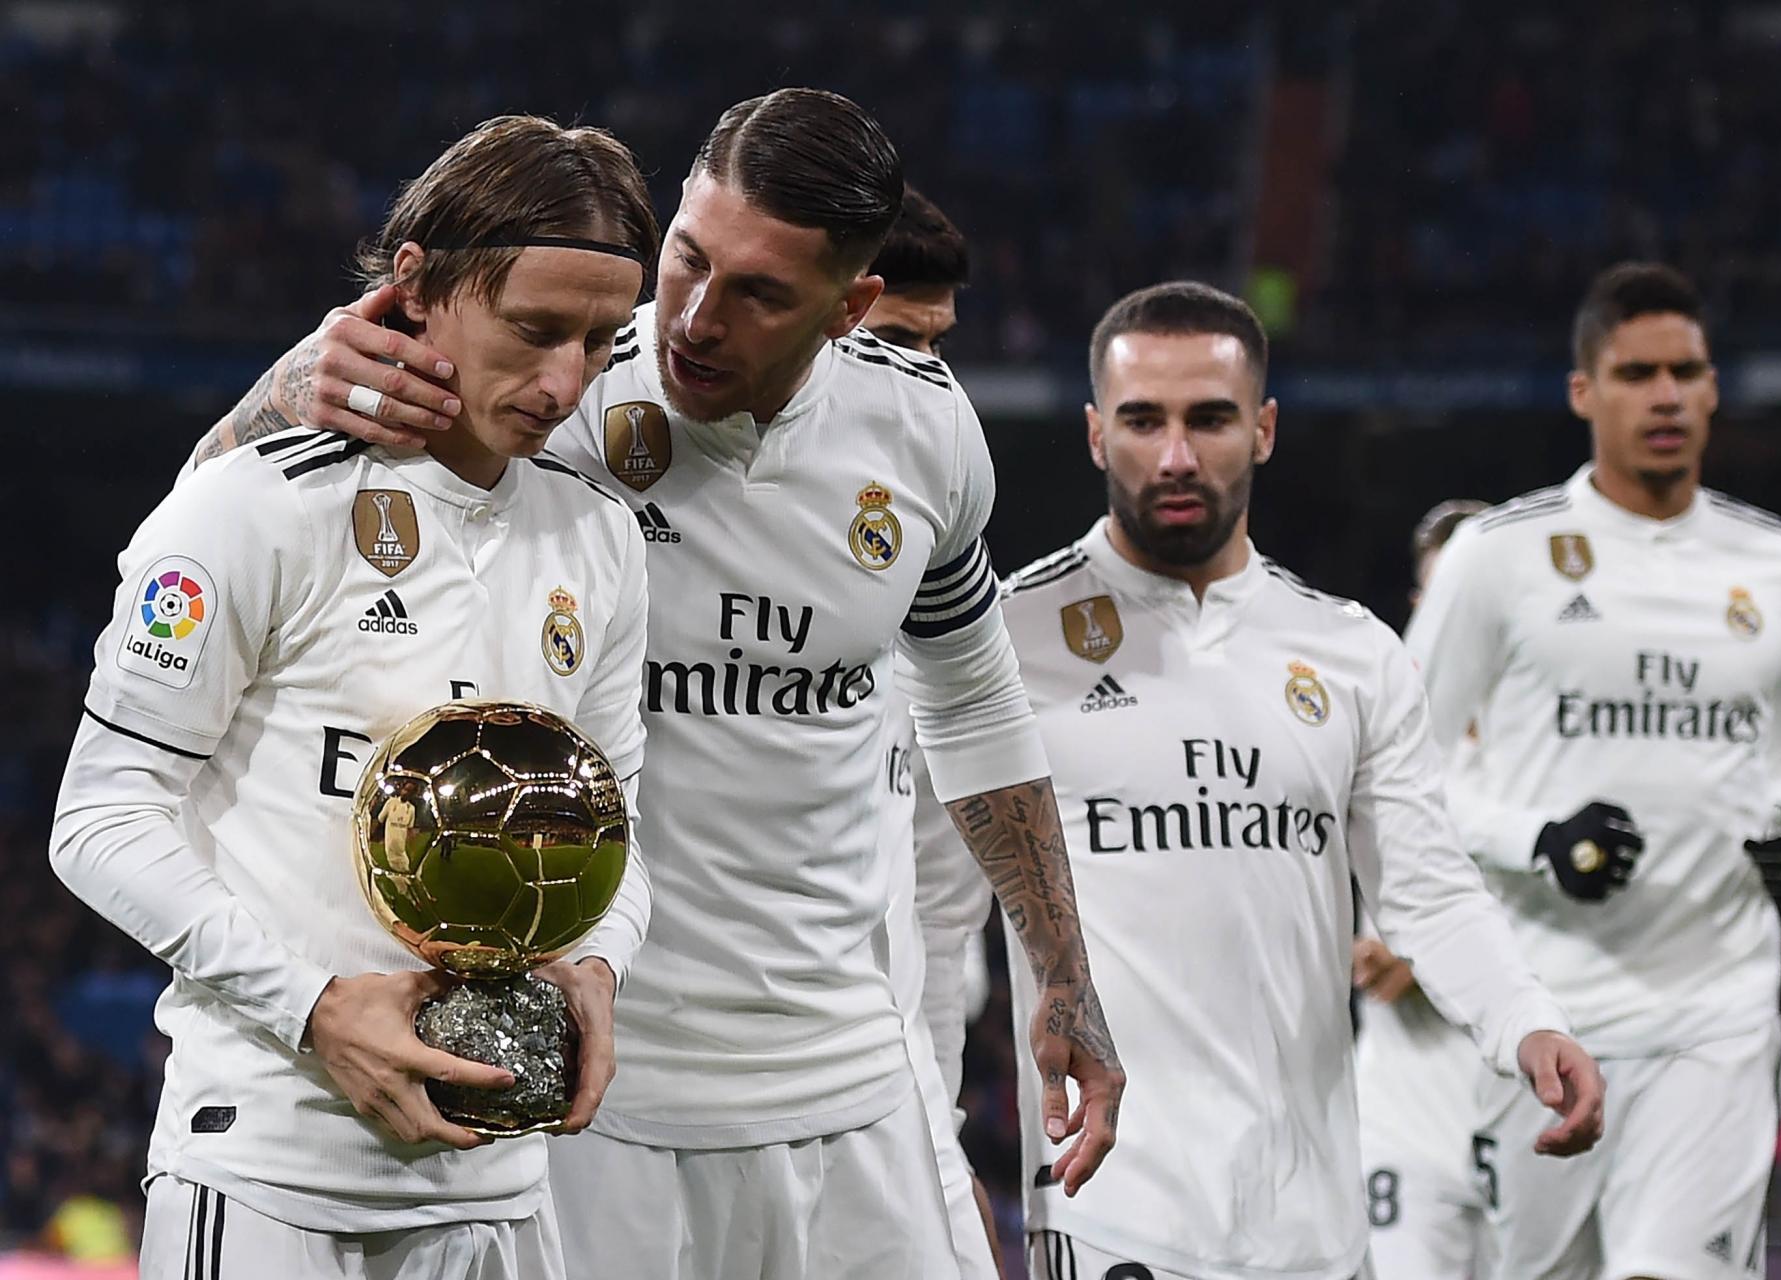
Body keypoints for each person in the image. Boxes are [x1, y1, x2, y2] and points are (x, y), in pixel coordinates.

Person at [193, 89, 1123, 1280]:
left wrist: (1063, 974)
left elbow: (976, 702)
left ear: (850, 308)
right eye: (688, 257)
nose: (692, 316)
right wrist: (289, 383)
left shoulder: (923, 433)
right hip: (587, 1079)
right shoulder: (552, 388)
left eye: (759, 294)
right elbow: (205, 539)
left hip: (848, 1070)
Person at [52, 115, 661, 1280]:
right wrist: (315, 1004)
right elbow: (100, 817)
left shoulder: (600, 539)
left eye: (600, 341)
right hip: (271, 1174)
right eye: (535, 330)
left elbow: (617, 828)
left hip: (503, 1188)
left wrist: (597, 965)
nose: (566, 382)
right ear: (415, 285)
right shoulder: (254, 504)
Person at [917, 280, 1605, 1280]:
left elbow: (1427, 889)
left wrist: (1525, 1019)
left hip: (1314, 1226)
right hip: (1112, 1209)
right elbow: (934, 924)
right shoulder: (999, 649)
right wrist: (931, 1149)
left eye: (1210, 419)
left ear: (1265, 429)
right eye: (1143, 421)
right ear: (1096, 434)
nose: (1177, 456)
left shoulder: (1350, 651)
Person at [1406, 262, 1781, 1279]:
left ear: (1714, 388)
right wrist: (1539, 839)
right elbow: (1404, 776)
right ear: (1583, 390)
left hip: (1718, 1011)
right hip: (1543, 1011)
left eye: (1685, 372)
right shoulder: (1498, 556)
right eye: (1637, 373)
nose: (1665, 396)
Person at [862, 183, 1005, 1278]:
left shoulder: (937, 596)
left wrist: (941, 1148)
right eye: (892, 341)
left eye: (936, 346)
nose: (925, 378)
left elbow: (944, 920)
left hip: (871, 1079)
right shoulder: (633, 488)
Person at [1351, 498, 1497, 1280]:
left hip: (1529, 1112)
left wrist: (1431, 957)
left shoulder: (1562, 753)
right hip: (1404, 1120)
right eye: (1442, 599)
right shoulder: (1377, 738)